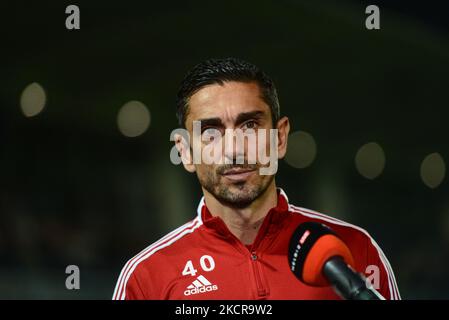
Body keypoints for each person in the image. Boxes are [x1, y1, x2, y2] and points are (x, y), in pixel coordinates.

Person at [112, 57, 400, 300]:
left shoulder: (355, 247)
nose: (234, 149)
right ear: (186, 152)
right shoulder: (146, 278)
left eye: (250, 125)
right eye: (211, 132)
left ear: (281, 138)